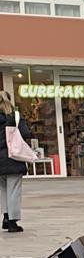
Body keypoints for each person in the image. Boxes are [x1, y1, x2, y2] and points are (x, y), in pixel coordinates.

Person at [0, 91, 32, 234]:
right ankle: (13, 222)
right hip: (13, 157)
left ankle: (6, 217)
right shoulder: (15, 116)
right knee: (13, 190)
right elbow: (25, 133)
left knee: (3, 190)